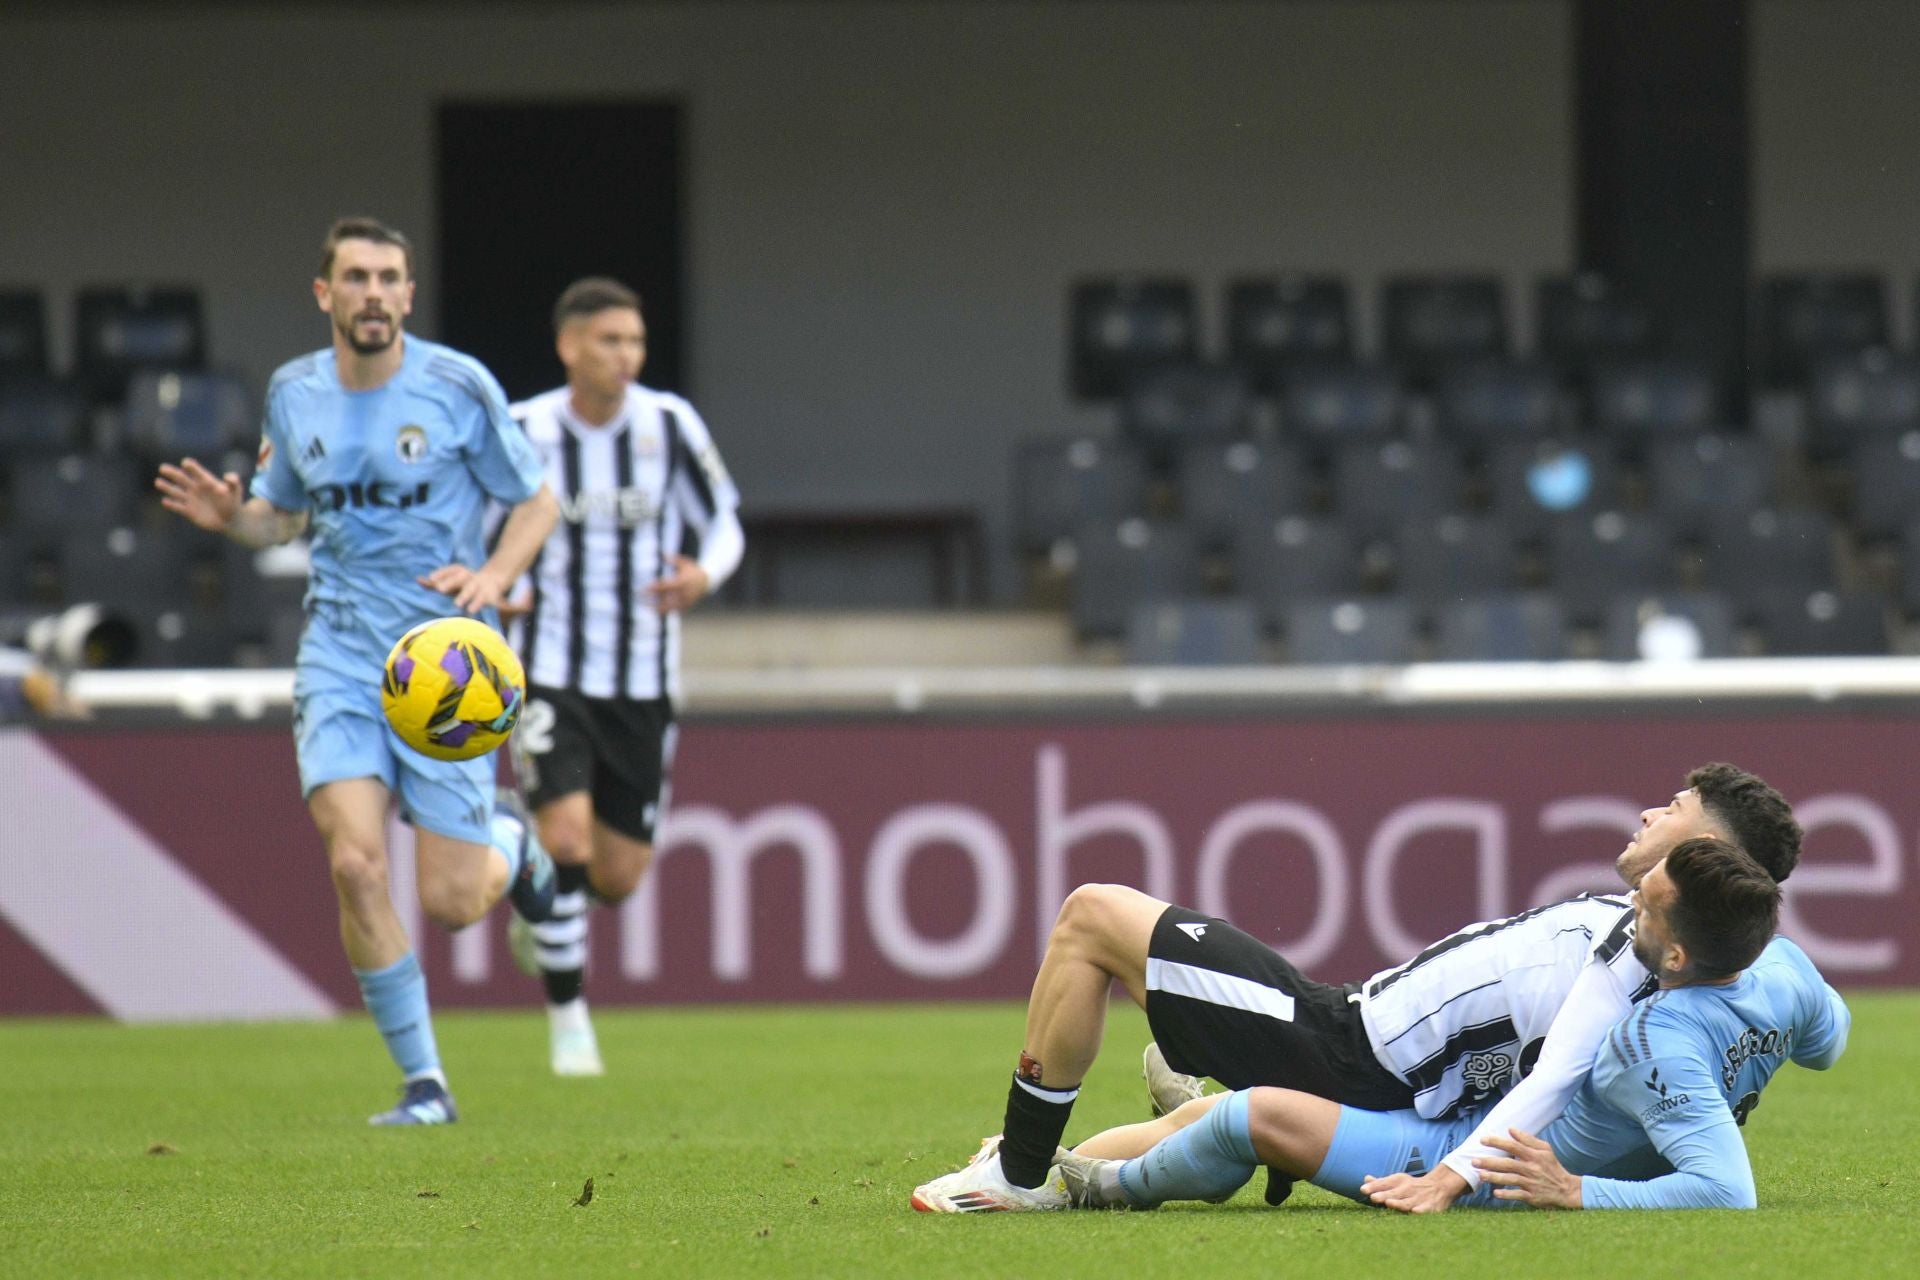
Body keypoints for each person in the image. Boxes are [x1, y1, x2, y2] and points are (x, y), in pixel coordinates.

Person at [910, 763, 1800, 1211]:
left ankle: (1023, 1171)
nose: (1654, 811)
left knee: (1094, 917)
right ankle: (1056, 1168)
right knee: (1186, 1119)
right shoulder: (1670, 944)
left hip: (1344, 1047)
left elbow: (1556, 1078)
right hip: (1360, 1036)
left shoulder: (1638, 966)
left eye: (1677, 810)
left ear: (1709, 858)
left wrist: (1451, 1178)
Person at [154, 217, 561, 1125]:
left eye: (389, 278)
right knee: (355, 864)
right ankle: (426, 1087)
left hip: (446, 662)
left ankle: (515, 846)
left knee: (455, 904)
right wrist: (234, 518)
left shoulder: (458, 385)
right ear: (324, 293)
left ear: (409, 295)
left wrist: (494, 575)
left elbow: (539, 500)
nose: (374, 292)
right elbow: (280, 521)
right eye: (356, 277)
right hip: (339, 653)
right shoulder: (294, 392)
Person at [1059, 839, 1848, 1212]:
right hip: (1472, 1108)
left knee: (1250, 1114)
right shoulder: (1784, 972)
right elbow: (1829, 1040)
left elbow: (1724, 1190)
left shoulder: (1658, 1040)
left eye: (1646, 904)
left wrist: (1569, 1191)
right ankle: (1156, 1135)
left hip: (1473, 1157)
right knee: (1245, 1113)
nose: (1630, 898)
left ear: (1676, 954)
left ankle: (1102, 1187)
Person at [501, 277, 743, 1077]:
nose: (625, 357)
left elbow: (725, 523)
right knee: (566, 831)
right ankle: (570, 1021)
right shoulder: (523, 429)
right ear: (569, 345)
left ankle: (532, 875)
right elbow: (471, 522)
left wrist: (704, 576)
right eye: (609, 341)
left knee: (616, 875)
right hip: (546, 667)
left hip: (643, 677)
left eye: (635, 342)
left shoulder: (668, 425)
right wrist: (498, 576)